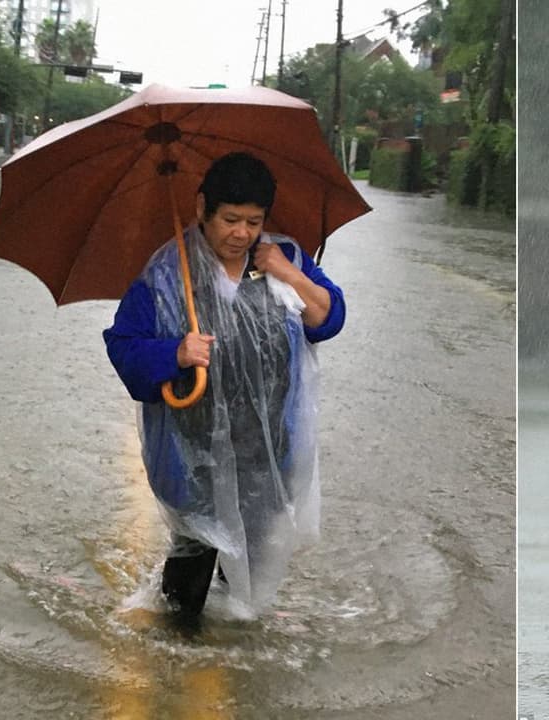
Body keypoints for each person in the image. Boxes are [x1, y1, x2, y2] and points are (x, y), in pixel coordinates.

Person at [103, 151, 345, 629]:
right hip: (193, 453)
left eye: (254, 222)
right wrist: (174, 353)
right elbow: (124, 348)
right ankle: (177, 654)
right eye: (230, 220)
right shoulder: (168, 275)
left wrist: (288, 273)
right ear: (202, 209)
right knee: (187, 586)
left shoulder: (283, 259)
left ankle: (236, 652)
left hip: (265, 450)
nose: (242, 234)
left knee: (249, 585)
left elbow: (329, 318)